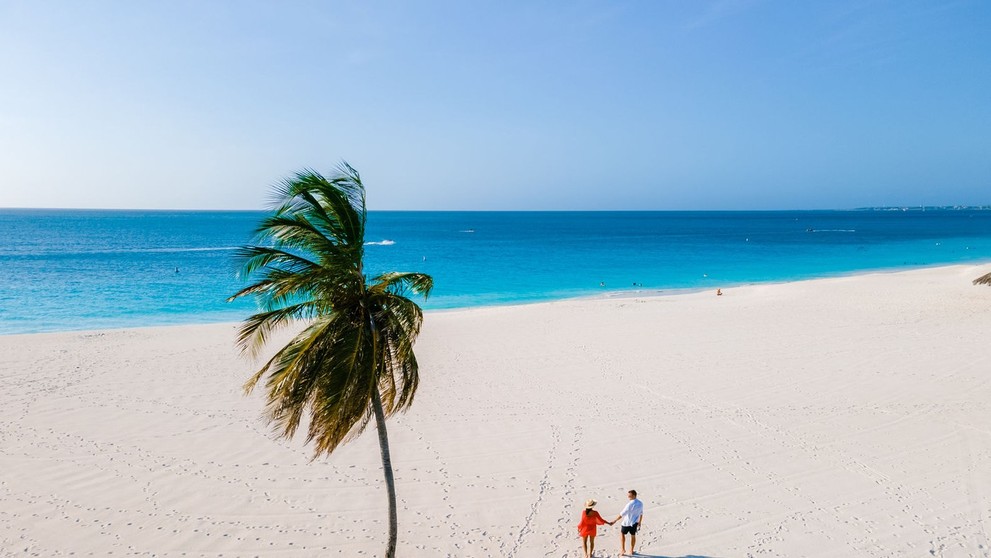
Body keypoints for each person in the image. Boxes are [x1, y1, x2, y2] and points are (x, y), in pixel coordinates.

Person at [612, 489, 644, 556]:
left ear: (634, 495)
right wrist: (640, 522)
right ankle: (631, 550)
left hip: (626, 523)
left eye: (630, 496)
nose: (628, 497)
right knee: (633, 536)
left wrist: (615, 520)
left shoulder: (629, 504)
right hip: (634, 523)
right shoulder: (641, 503)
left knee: (622, 534)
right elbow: (641, 513)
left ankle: (623, 549)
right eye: (628, 495)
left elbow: (622, 514)